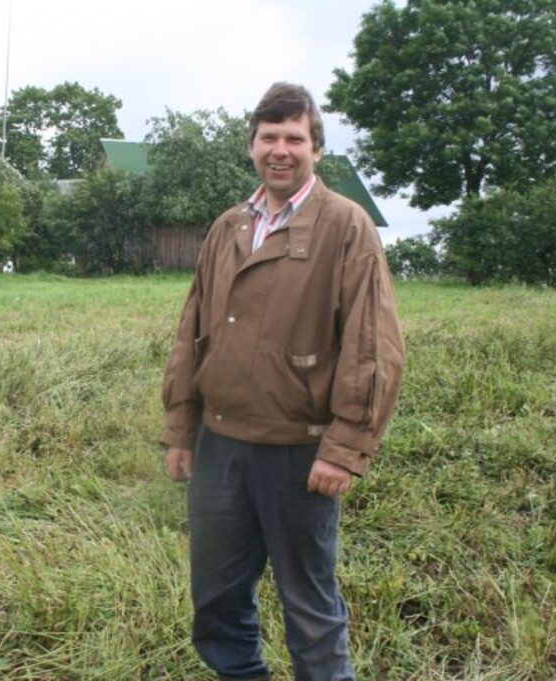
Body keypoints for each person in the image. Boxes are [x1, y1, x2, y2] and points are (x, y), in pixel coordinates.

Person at [160, 82, 404, 680]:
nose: (280, 149)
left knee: (310, 607)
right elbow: (193, 329)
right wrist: (181, 428)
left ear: (316, 148)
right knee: (216, 599)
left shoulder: (347, 227)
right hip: (220, 446)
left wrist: (344, 449)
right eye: (269, 137)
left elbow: (373, 346)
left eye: (294, 138)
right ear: (251, 146)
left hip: (301, 452)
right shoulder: (228, 227)